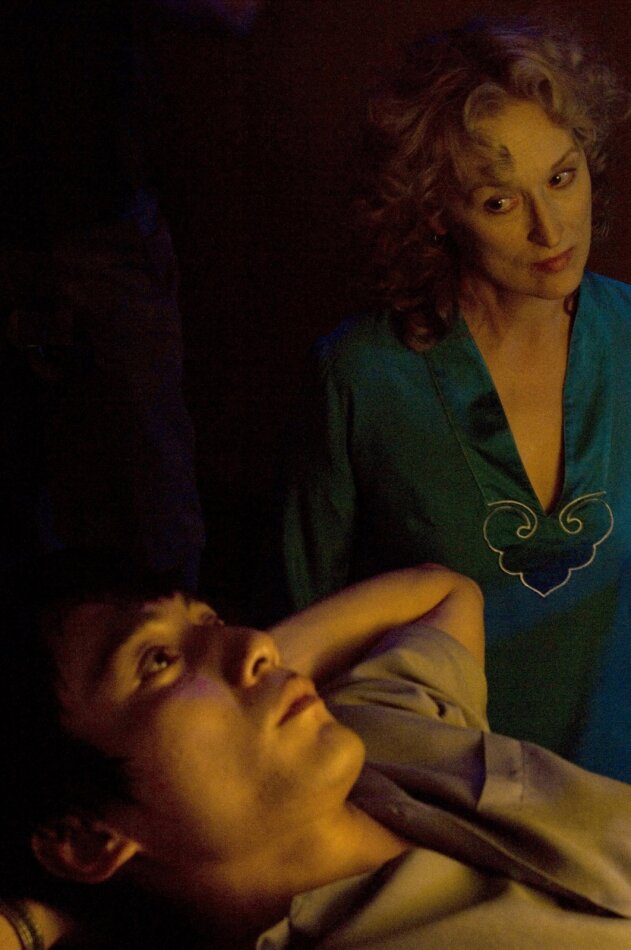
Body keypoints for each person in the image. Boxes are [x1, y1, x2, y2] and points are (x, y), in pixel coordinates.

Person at [277, 16, 631, 782]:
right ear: (436, 211)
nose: (549, 229)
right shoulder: (362, 375)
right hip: (437, 800)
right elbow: (300, 624)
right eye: (499, 202)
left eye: (561, 177)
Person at [2, 553, 631, 948]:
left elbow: (444, 593)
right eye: (158, 661)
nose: (257, 643)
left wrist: (257, 676)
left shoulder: (378, 729)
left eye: (210, 621)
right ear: (86, 840)